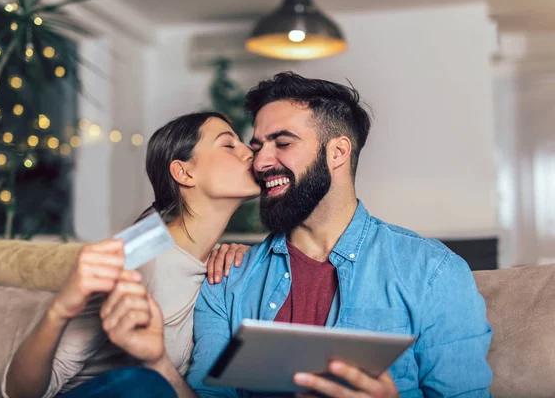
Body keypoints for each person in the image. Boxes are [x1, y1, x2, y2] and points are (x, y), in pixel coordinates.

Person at [46, 72, 493, 398]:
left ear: (338, 152)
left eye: (282, 143)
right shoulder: (228, 279)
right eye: (256, 145)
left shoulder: (433, 272)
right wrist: (157, 361)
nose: (259, 162)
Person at [3, 112, 260, 398]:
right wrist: (58, 310)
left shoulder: (216, 262)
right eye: (229, 145)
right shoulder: (138, 254)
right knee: (146, 382)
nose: (250, 152)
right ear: (184, 173)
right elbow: (21, 392)